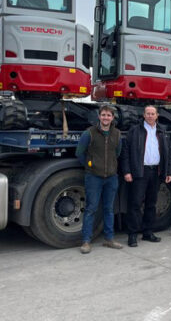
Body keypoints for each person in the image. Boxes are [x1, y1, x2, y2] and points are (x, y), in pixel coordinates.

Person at [121, 105, 171, 247]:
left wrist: (168, 172)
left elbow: (168, 154)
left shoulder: (162, 131)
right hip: (140, 172)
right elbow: (126, 152)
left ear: (157, 116)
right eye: (148, 113)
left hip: (155, 172)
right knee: (135, 204)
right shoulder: (135, 130)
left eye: (153, 113)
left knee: (151, 204)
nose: (150, 116)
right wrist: (127, 171)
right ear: (143, 115)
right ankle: (132, 235)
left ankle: (148, 232)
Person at [75, 105, 124, 254]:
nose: (106, 118)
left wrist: (110, 167)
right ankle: (86, 241)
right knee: (91, 209)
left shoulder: (117, 133)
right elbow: (80, 153)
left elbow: (118, 152)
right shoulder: (89, 133)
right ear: (99, 116)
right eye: (103, 115)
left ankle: (109, 239)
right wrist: (91, 166)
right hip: (94, 177)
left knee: (109, 209)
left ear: (112, 118)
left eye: (109, 115)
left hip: (111, 177)